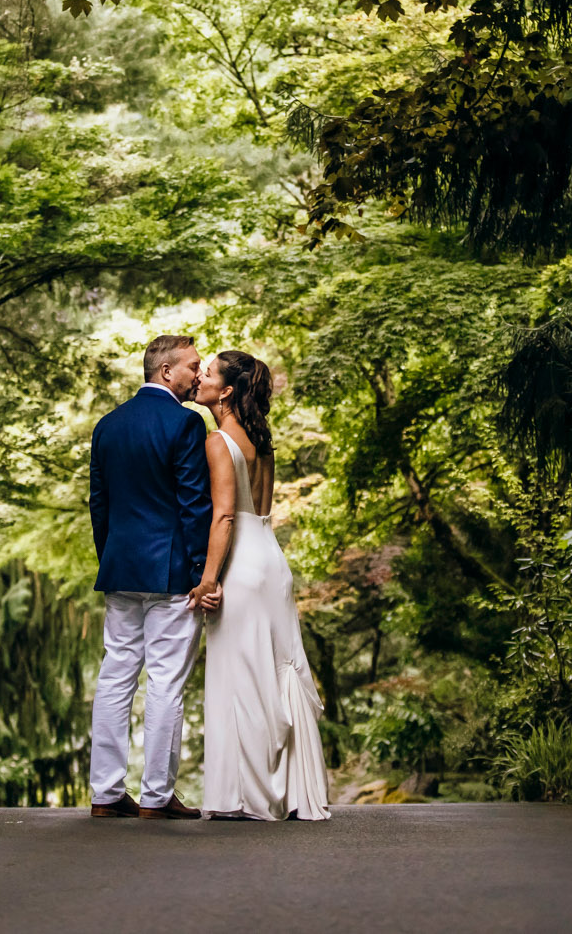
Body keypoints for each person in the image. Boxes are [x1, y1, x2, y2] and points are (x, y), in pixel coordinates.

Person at [193, 349, 332, 821]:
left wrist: (208, 580)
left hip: (241, 567)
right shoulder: (262, 440)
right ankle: (286, 790)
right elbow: (260, 511)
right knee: (275, 668)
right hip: (271, 560)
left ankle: (243, 796)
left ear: (226, 391)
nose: (200, 379)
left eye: (207, 374)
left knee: (240, 676)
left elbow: (226, 516)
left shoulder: (217, 442)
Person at [86, 334, 217, 820]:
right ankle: (157, 798)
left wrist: (112, 557)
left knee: (115, 676)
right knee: (165, 682)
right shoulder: (185, 422)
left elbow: (99, 502)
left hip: (120, 568)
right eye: (192, 367)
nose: (197, 375)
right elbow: (193, 504)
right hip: (172, 574)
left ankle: (105, 794)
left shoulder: (107, 425)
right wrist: (204, 572)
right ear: (166, 372)